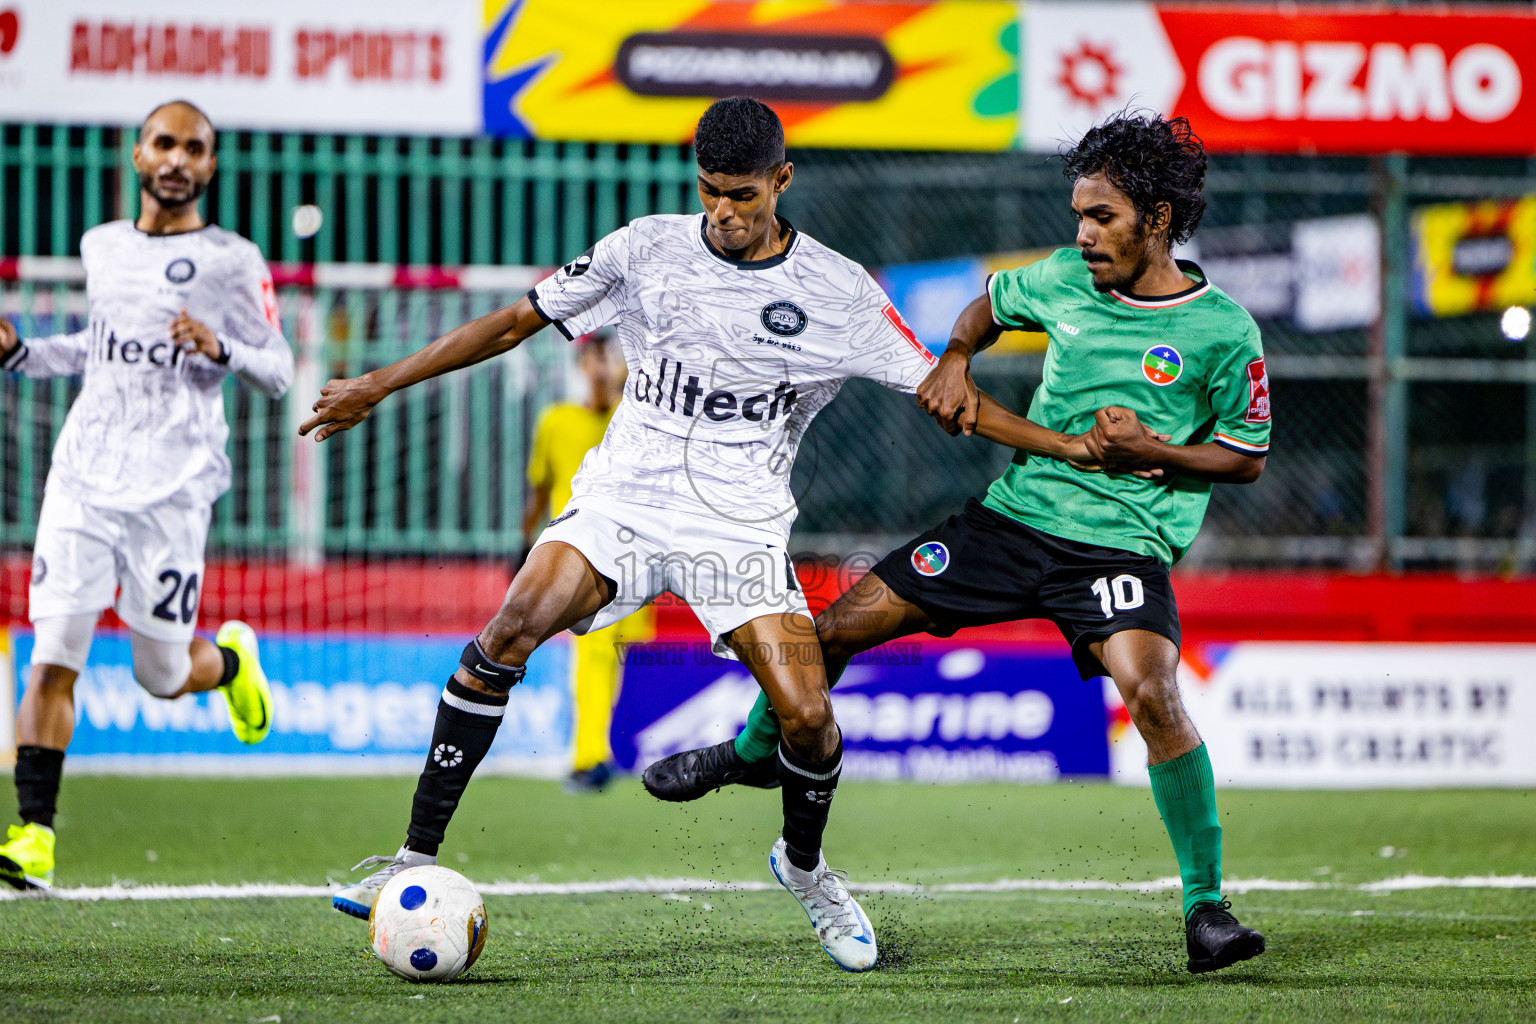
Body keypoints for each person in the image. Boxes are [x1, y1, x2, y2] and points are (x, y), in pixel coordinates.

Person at [304, 97, 942, 971]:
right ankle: (411, 860)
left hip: (738, 524)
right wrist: (378, 383)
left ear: (783, 181)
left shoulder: (838, 291)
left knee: (806, 717)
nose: (722, 211)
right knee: (505, 634)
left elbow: (942, 386)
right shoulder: (645, 246)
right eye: (710, 191)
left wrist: (1067, 433)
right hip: (625, 500)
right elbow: (513, 321)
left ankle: (805, 869)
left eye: (743, 195)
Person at [642, 112, 1271, 975]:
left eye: (1103, 218)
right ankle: (754, 755)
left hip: (1120, 549)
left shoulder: (1225, 331)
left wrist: (1153, 452)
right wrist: (955, 358)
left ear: (1157, 219)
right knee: (832, 632)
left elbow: (1246, 456)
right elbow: (987, 306)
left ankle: (1206, 912)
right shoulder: (1061, 280)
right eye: (1079, 216)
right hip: (1012, 523)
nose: (1083, 235)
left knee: (1154, 695)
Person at [0, 100, 291, 890]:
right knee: (54, 652)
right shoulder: (102, 247)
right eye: (164, 143)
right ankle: (34, 835)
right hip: (84, 481)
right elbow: (96, 352)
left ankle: (229, 663)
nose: (176, 159)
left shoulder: (233, 260)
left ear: (210, 167)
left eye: (193, 148)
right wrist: (22, 352)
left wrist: (221, 345)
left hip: (172, 492)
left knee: (160, 676)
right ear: (138, 156)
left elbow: (280, 369)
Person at [521, 330, 654, 792]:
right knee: (592, 654)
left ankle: (597, 751)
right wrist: (523, 545)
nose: (602, 370)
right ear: (579, 366)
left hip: (638, 558)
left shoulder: (632, 415)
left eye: (610, 361)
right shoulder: (555, 420)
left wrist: (619, 383)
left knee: (609, 660)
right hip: (580, 558)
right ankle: (587, 757)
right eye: (594, 361)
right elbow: (539, 487)